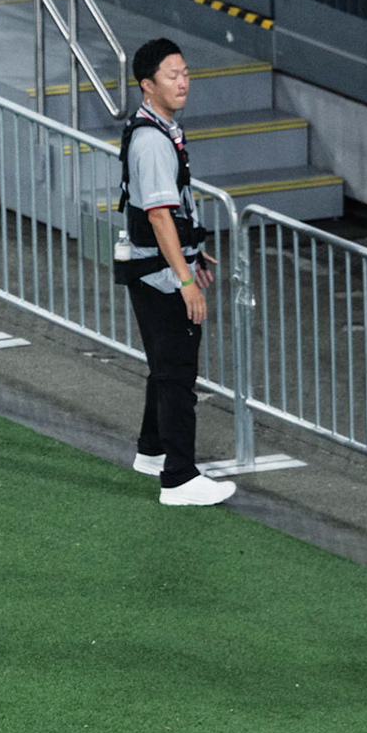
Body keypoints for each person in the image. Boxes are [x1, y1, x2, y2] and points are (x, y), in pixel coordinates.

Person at [115, 39, 236, 507]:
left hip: (158, 265)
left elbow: (169, 213)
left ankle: (152, 451)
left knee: (165, 364)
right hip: (160, 274)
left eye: (185, 72)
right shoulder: (152, 141)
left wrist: (191, 253)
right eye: (171, 75)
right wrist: (185, 279)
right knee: (178, 370)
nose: (183, 82)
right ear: (147, 86)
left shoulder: (157, 129)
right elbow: (161, 215)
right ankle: (180, 477)